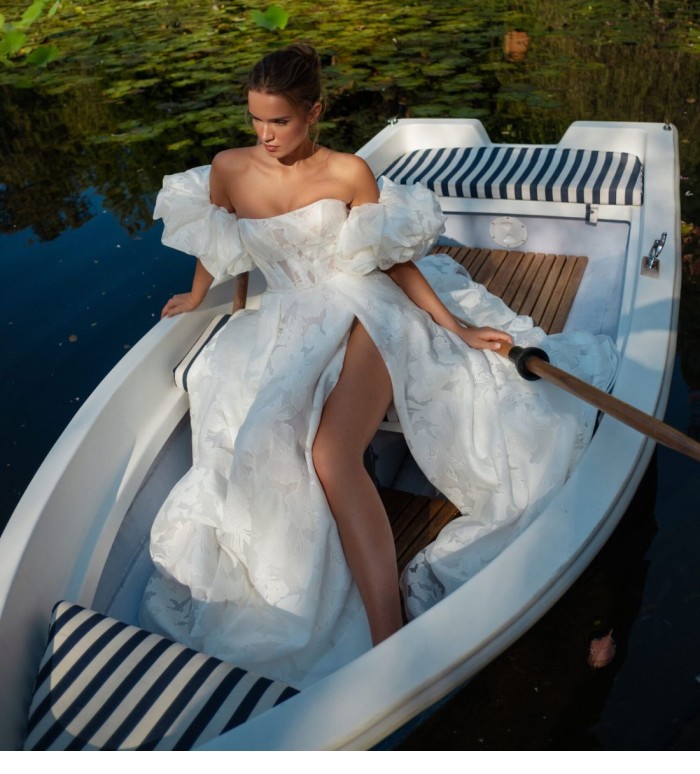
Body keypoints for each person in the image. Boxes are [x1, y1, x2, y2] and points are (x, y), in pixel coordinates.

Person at [140, 43, 618, 689]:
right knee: (251, 425)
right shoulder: (227, 168)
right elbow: (217, 239)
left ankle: (386, 630)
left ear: (314, 110)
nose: (266, 135)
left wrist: (457, 326)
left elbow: (389, 262)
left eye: (280, 121)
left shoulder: (349, 172)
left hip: (366, 305)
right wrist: (201, 296)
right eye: (256, 120)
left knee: (331, 456)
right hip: (288, 314)